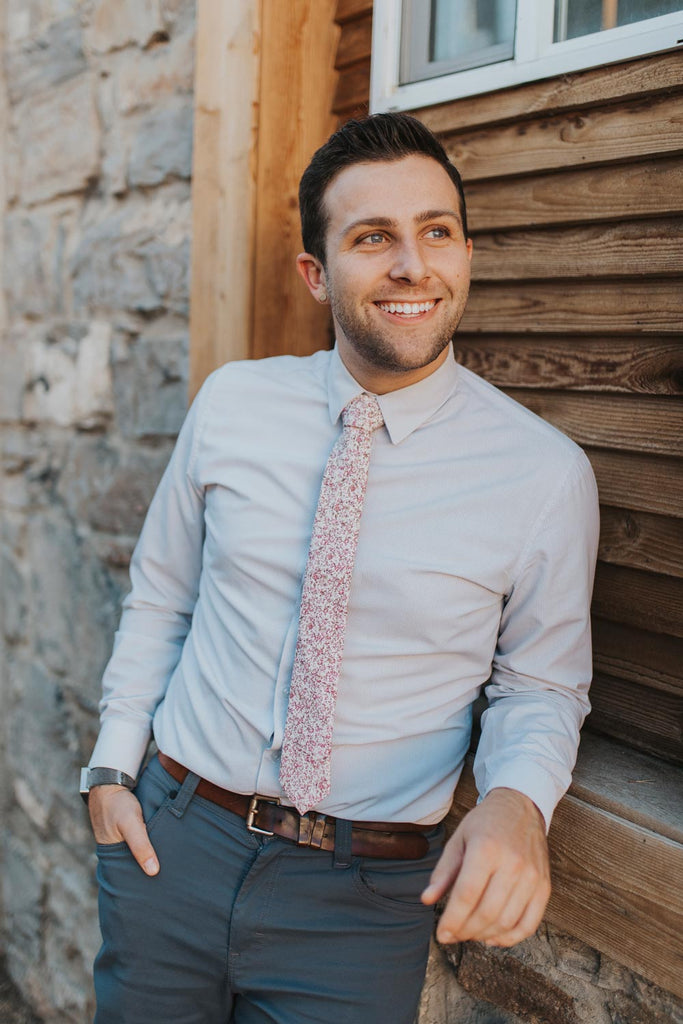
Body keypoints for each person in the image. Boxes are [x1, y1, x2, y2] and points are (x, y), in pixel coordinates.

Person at [82, 112, 599, 1024]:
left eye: (435, 232)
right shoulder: (232, 403)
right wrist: (111, 771)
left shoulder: (542, 474)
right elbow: (163, 596)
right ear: (315, 274)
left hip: (364, 902)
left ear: (466, 255)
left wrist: (520, 802)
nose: (411, 265)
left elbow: (540, 684)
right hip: (172, 844)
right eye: (372, 238)